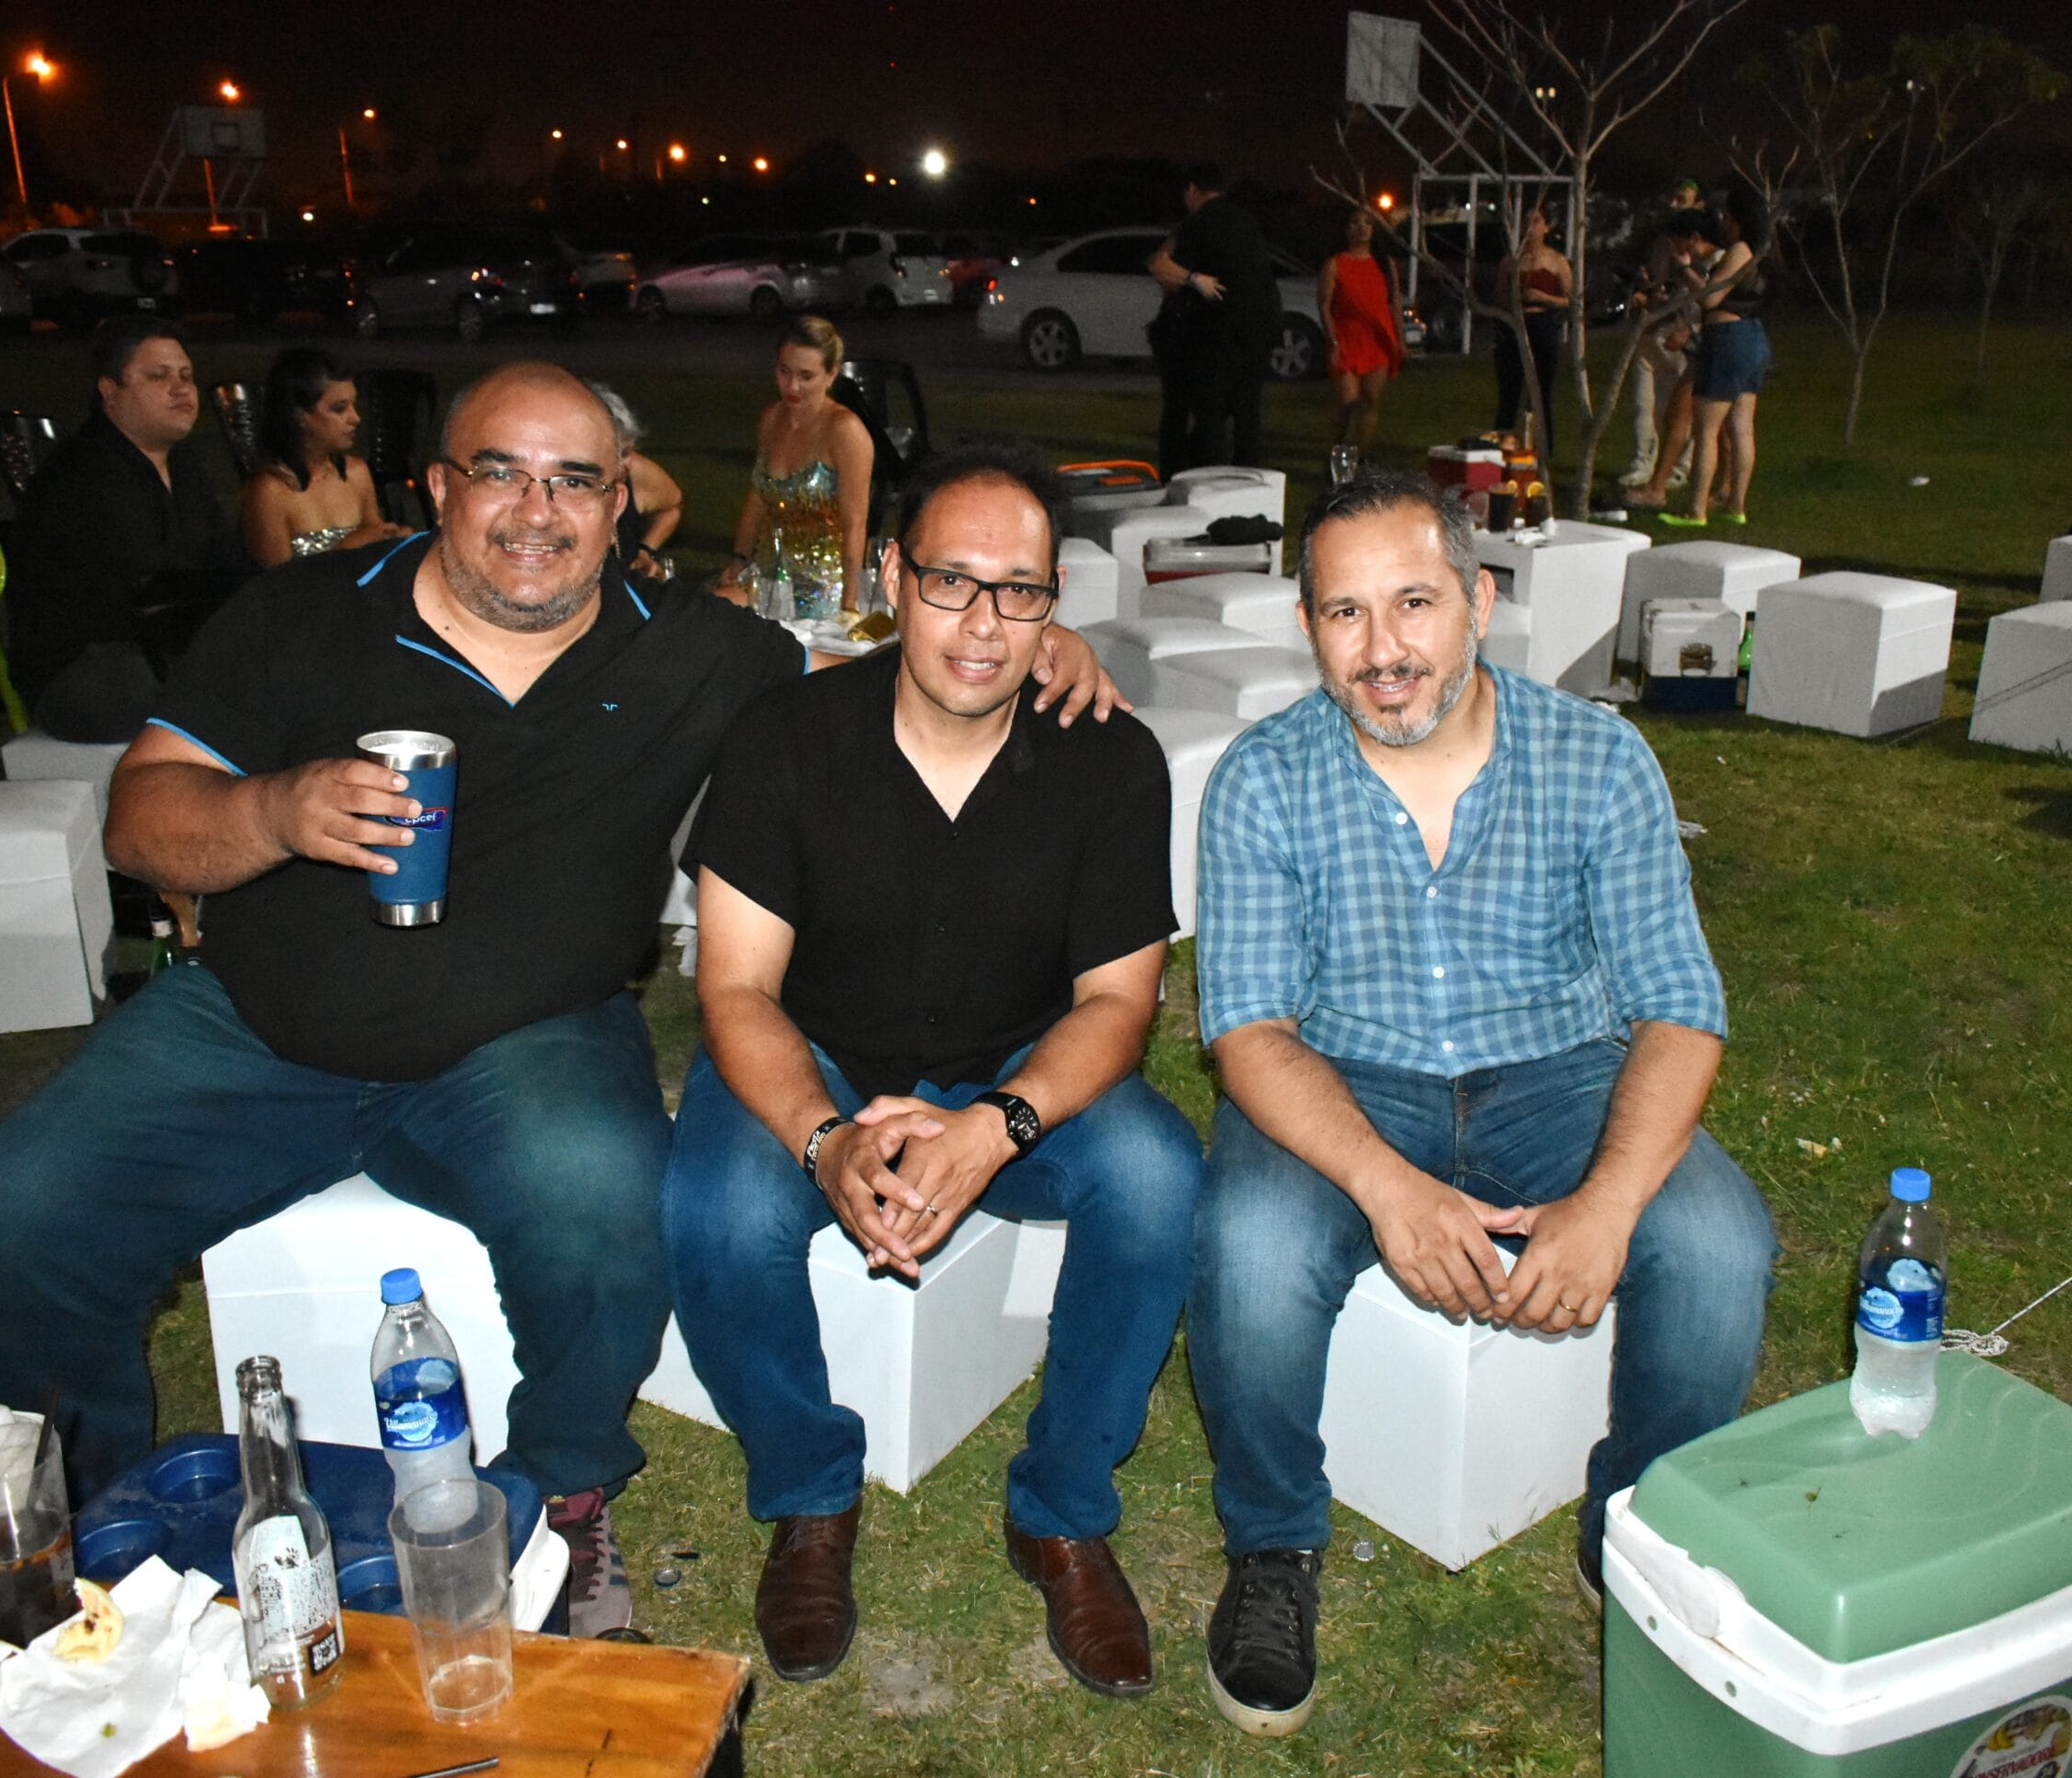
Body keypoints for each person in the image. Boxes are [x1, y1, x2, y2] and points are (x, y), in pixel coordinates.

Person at [0, 363, 1119, 1638]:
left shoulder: (697, 649)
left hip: (527, 1039)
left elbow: (897, 672)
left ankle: (564, 1490)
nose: (535, 509)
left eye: (573, 480)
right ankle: (102, 1513)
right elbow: (140, 815)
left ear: (621, 505)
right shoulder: (303, 614)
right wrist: (273, 810)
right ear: (437, 487)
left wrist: (1032, 642)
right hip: (257, 1026)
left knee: (608, 1200)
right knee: (23, 1204)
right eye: (499, 471)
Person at [1187, 470, 1776, 1738]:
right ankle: (1274, 1548)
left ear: (1480, 602)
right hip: (1343, 1074)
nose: (1382, 650)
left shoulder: (1597, 757)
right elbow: (1248, 1032)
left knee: (1717, 1245)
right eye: (1344, 613)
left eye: (1414, 603)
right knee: (1250, 1246)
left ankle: (1634, 1525)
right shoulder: (1262, 779)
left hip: (1559, 1075)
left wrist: (1606, 1205)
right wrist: (1388, 1190)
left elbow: (1679, 1006)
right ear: (1308, 627)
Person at [661, 440, 1201, 1697]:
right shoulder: (786, 739)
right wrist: (823, 1139)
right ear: (894, 578)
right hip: (818, 1051)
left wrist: (997, 1127)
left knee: (1157, 1176)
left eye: (1020, 591)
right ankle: (808, 1491)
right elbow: (735, 989)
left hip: (1015, 1063)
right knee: (716, 1203)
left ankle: (1062, 1507)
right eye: (952, 582)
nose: (984, 622)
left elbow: (1118, 1003)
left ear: (1053, 603)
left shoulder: (1110, 760)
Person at [6, 319, 250, 743]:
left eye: (186, 376)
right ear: (109, 390)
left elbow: (225, 562)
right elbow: (139, 594)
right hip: (84, 670)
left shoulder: (184, 467)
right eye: (158, 376)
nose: (181, 389)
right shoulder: (83, 475)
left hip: (158, 649)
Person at [718, 316, 872, 614]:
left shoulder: (845, 431)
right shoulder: (771, 419)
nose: (792, 386)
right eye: (784, 371)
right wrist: (739, 559)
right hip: (769, 573)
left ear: (831, 374)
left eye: (806, 376)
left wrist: (850, 604)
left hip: (822, 583)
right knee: (710, 611)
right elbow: (758, 497)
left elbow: (855, 524)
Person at [1150, 163, 1282, 477]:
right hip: (1261, 324)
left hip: (1222, 330)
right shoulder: (1246, 220)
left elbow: (1161, 267)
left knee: (1210, 411)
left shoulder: (1200, 222)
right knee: (1248, 411)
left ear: (1192, 190)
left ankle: (1211, 479)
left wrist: (1192, 278)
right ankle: (1249, 479)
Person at [238, 348, 410, 567]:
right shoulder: (270, 491)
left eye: (353, 406)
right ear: (300, 415)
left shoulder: (355, 473)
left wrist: (394, 541)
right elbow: (275, 582)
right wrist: (345, 548)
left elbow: (375, 552)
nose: (355, 418)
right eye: (339, 409)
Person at [1663, 189, 1769, 529]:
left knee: (1706, 430)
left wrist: (1684, 269)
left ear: (1738, 219)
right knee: (1742, 427)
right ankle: (1735, 505)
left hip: (1727, 339)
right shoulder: (1763, 250)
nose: (1722, 221)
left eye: (1727, 216)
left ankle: (1696, 510)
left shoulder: (1739, 250)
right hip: (1752, 338)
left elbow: (1711, 298)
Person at [1620, 182, 1707, 490]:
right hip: (1651, 331)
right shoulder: (1662, 242)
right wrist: (1645, 293)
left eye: (1682, 199)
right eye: (1672, 198)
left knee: (1678, 410)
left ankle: (1678, 468)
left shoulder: (1705, 248)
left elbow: (1711, 297)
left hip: (1680, 337)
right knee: (1644, 404)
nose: (1674, 204)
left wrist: (1692, 328)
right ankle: (1642, 462)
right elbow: (1654, 282)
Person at [1319, 207, 1405, 455]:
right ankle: (1334, 453)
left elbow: (1394, 302)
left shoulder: (1385, 264)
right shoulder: (1335, 264)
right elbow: (1324, 305)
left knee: (1370, 399)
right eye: (1355, 223)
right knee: (1347, 400)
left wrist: (1400, 340)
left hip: (1378, 339)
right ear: (1346, 229)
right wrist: (1333, 341)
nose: (1362, 228)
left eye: (1368, 223)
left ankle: (1359, 456)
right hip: (1347, 338)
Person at [1492, 205, 1572, 457]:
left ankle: (1543, 449)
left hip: (1544, 326)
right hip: (1514, 327)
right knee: (1509, 392)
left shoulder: (1556, 261)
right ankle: (1501, 446)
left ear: (1546, 227)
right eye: (1526, 222)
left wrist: (1544, 298)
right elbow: (1498, 298)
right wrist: (1515, 300)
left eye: (1536, 221)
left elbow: (1570, 300)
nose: (1530, 227)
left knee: (1540, 392)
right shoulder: (1511, 261)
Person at [590, 383, 684, 582]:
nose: (626, 464)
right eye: (617, 454)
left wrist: (645, 551)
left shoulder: (636, 473)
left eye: (627, 452)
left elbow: (672, 507)